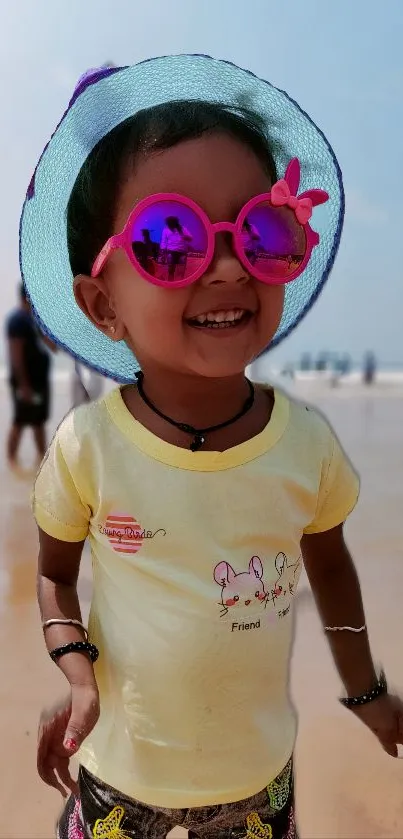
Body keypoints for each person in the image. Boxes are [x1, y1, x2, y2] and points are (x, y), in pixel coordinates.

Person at [20, 57, 403, 839]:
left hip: (258, 792)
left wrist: (366, 695)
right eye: (171, 239)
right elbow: (56, 576)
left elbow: (330, 569)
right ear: (103, 304)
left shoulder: (305, 445)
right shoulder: (87, 445)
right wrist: (79, 675)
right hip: (117, 786)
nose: (229, 267)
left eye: (262, 231)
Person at [5, 283, 53, 463]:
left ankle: (42, 459)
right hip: (26, 382)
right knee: (20, 420)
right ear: (27, 297)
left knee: (38, 420)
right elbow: (15, 355)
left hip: (38, 381)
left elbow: (51, 345)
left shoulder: (32, 320)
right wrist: (24, 385)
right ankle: (11, 460)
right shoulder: (17, 320)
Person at [160, 215, 193, 279]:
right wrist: (163, 253)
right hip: (171, 251)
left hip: (182, 252)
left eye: (169, 223)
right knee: (171, 270)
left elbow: (190, 238)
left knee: (180, 270)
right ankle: (170, 283)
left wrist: (185, 237)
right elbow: (163, 242)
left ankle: (179, 283)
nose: (168, 225)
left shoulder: (183, 229)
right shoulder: (166, 230)